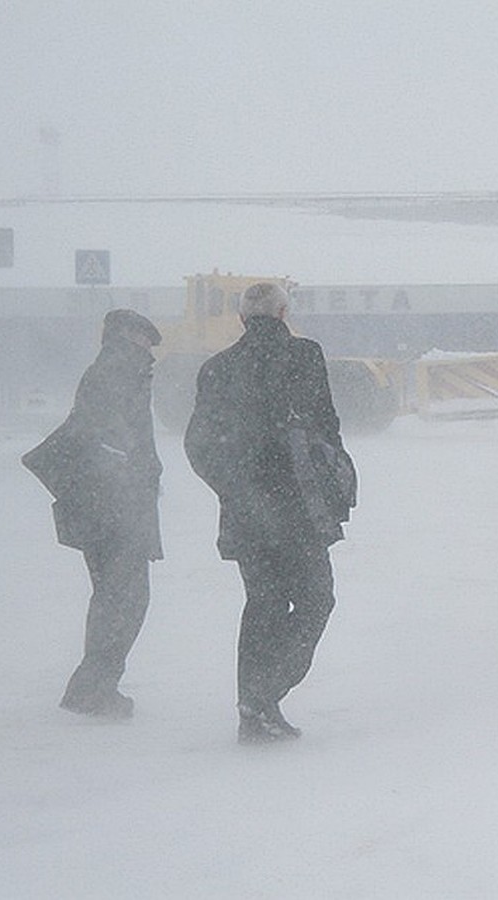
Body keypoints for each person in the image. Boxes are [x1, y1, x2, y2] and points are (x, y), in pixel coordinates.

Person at [184, 282, 354, 744]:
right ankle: (264, 698)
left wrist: (235, 489)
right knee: (316, 600)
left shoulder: (216, 368)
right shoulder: (304, 356)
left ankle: (254, 709)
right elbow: (327, 427)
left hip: (246, 514)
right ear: (282, 313)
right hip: (299, 508)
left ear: (242, 319)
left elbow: (198, 446)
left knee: (263, 605)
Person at [22, 309, 164, 718]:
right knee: (125, 598)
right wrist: (128, 476)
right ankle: (92, 688)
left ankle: (97, 684)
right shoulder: (116, 370)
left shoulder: (116, 369)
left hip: (109, 504)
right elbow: (103, 436)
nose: (149, 351)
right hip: (114, 507)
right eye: (143, 341)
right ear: (125, 337)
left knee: (114, 597)